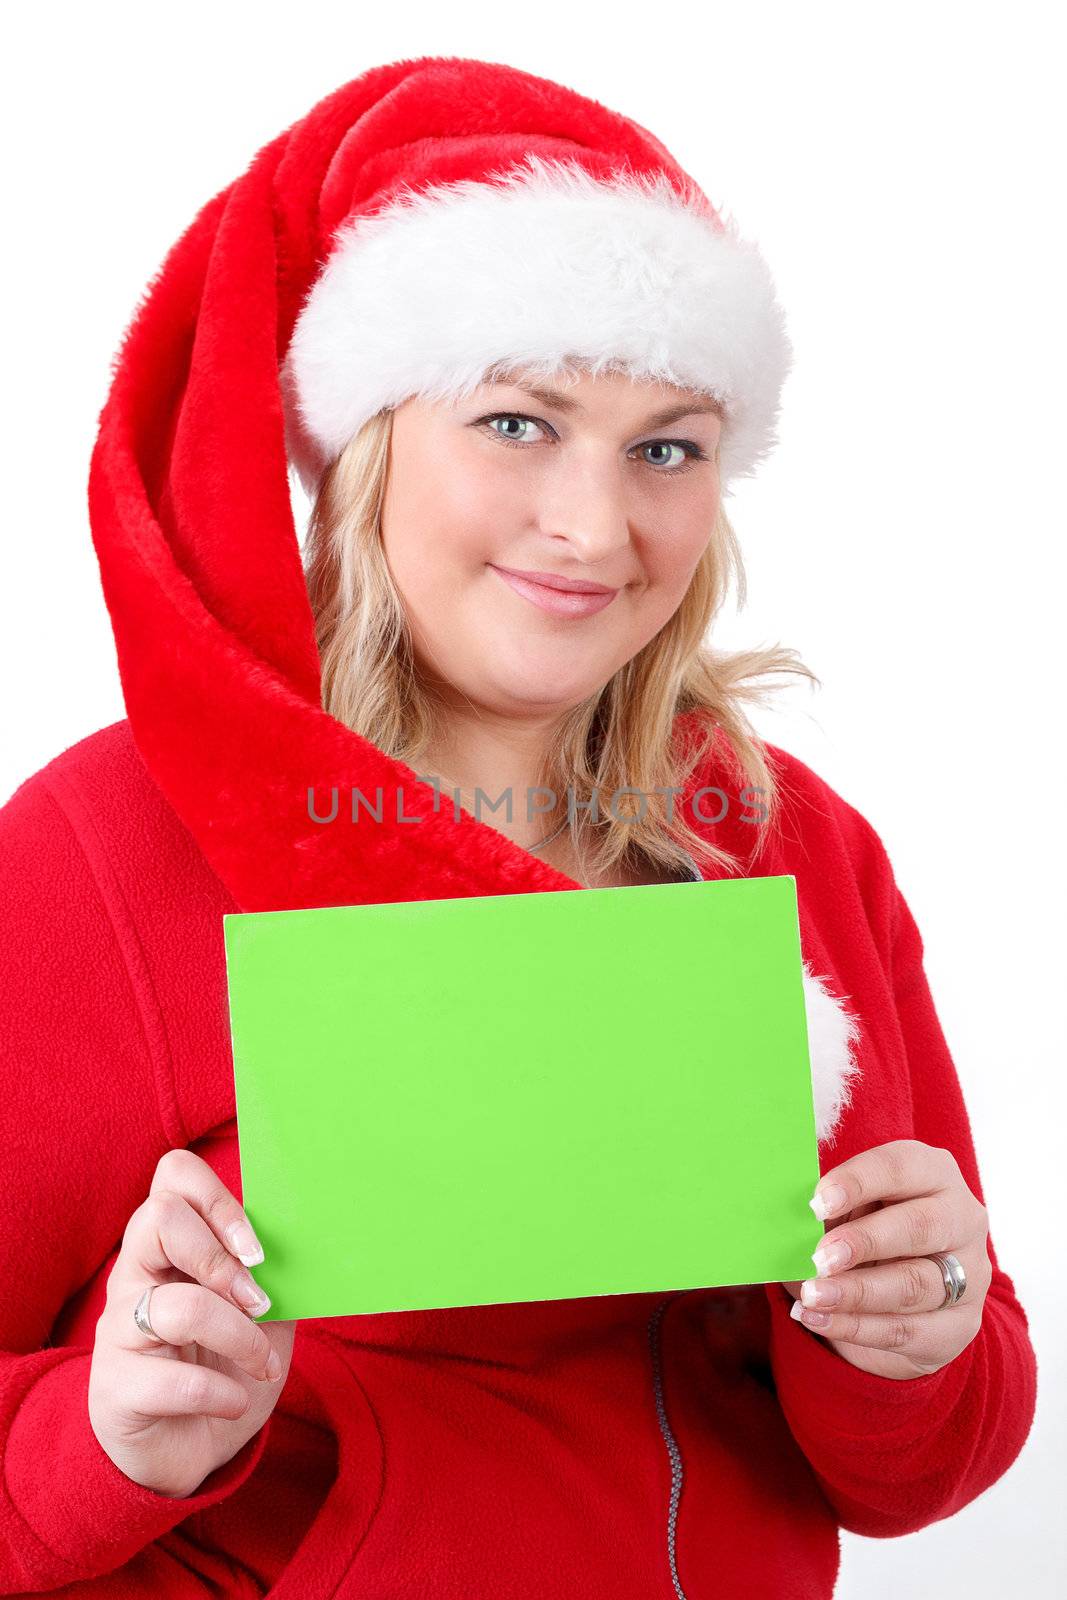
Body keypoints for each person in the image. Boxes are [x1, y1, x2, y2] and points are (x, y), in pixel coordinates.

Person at [0, 54, 1036, 1600]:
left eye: (666, 447)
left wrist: (920, 1331)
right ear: (368, 441)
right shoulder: (104, 851)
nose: (595, 527)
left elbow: (927, 1460)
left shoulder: (791, 842)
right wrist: (110, 1440)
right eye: (516, 423)